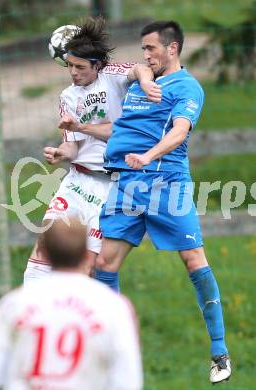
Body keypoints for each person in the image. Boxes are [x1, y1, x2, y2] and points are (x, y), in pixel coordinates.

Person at [95, 20, 231, 384]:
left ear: (172, 49)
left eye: (151, 49)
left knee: (193, 259)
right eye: (143, 49)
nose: (145, 55)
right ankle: (111, 350)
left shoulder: (188, 87)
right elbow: (125, 71)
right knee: (104, 262)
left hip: (166, 183)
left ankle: (219, 351)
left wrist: (149, 155)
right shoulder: (144, 80)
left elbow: (179, 131)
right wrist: (141, 74)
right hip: (127, 184)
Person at [23, 17, 161, 286]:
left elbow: (141, 69)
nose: (74, 72)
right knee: (45, 242)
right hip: (77, 181)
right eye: (70, 66)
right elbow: (73, 146)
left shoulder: (113, 76)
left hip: (111, 187)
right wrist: (61, 153)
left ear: (97, 65)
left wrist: (145, 82)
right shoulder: (68, 97)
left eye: (80, 67)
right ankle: (29, 310)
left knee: (89, 266)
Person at [0, 218, 143, 390]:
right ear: (85, 253)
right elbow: (127, 382)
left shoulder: (13, 304)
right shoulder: (114, 307)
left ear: (44, 253)